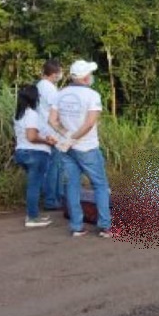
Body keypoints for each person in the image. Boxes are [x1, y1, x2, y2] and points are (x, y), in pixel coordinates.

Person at [49, 60, 114, 238]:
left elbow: (52, 121)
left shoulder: (60, 94)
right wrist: (74, 138)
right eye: (90, 74)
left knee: (72, 185)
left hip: (67, 148)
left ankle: (77, 226)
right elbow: (89, 124)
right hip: (87, 147)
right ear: (85, 77)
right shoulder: (92, 96)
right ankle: (104, 226)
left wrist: (67, 135)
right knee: (100, 185)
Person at [13, 84, 58, 227]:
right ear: (34, 98)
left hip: (21, 152)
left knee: (36, 184)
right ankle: (32, 217)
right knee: (34, 185)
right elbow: (32, 136)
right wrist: (47, 141)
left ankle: (35, 213)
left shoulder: (18, 114)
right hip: (35, 152)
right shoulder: (31, 114)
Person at [37, 59, 64, 211]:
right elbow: (57, 111)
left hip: (44, 130)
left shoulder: (40, 86)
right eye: (59, 72)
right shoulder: (49, 89)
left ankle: (54, 197)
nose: (60, 75)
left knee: (51, 166)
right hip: (51, 132)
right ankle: (52, 199)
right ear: (54, 74)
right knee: (55, 166)